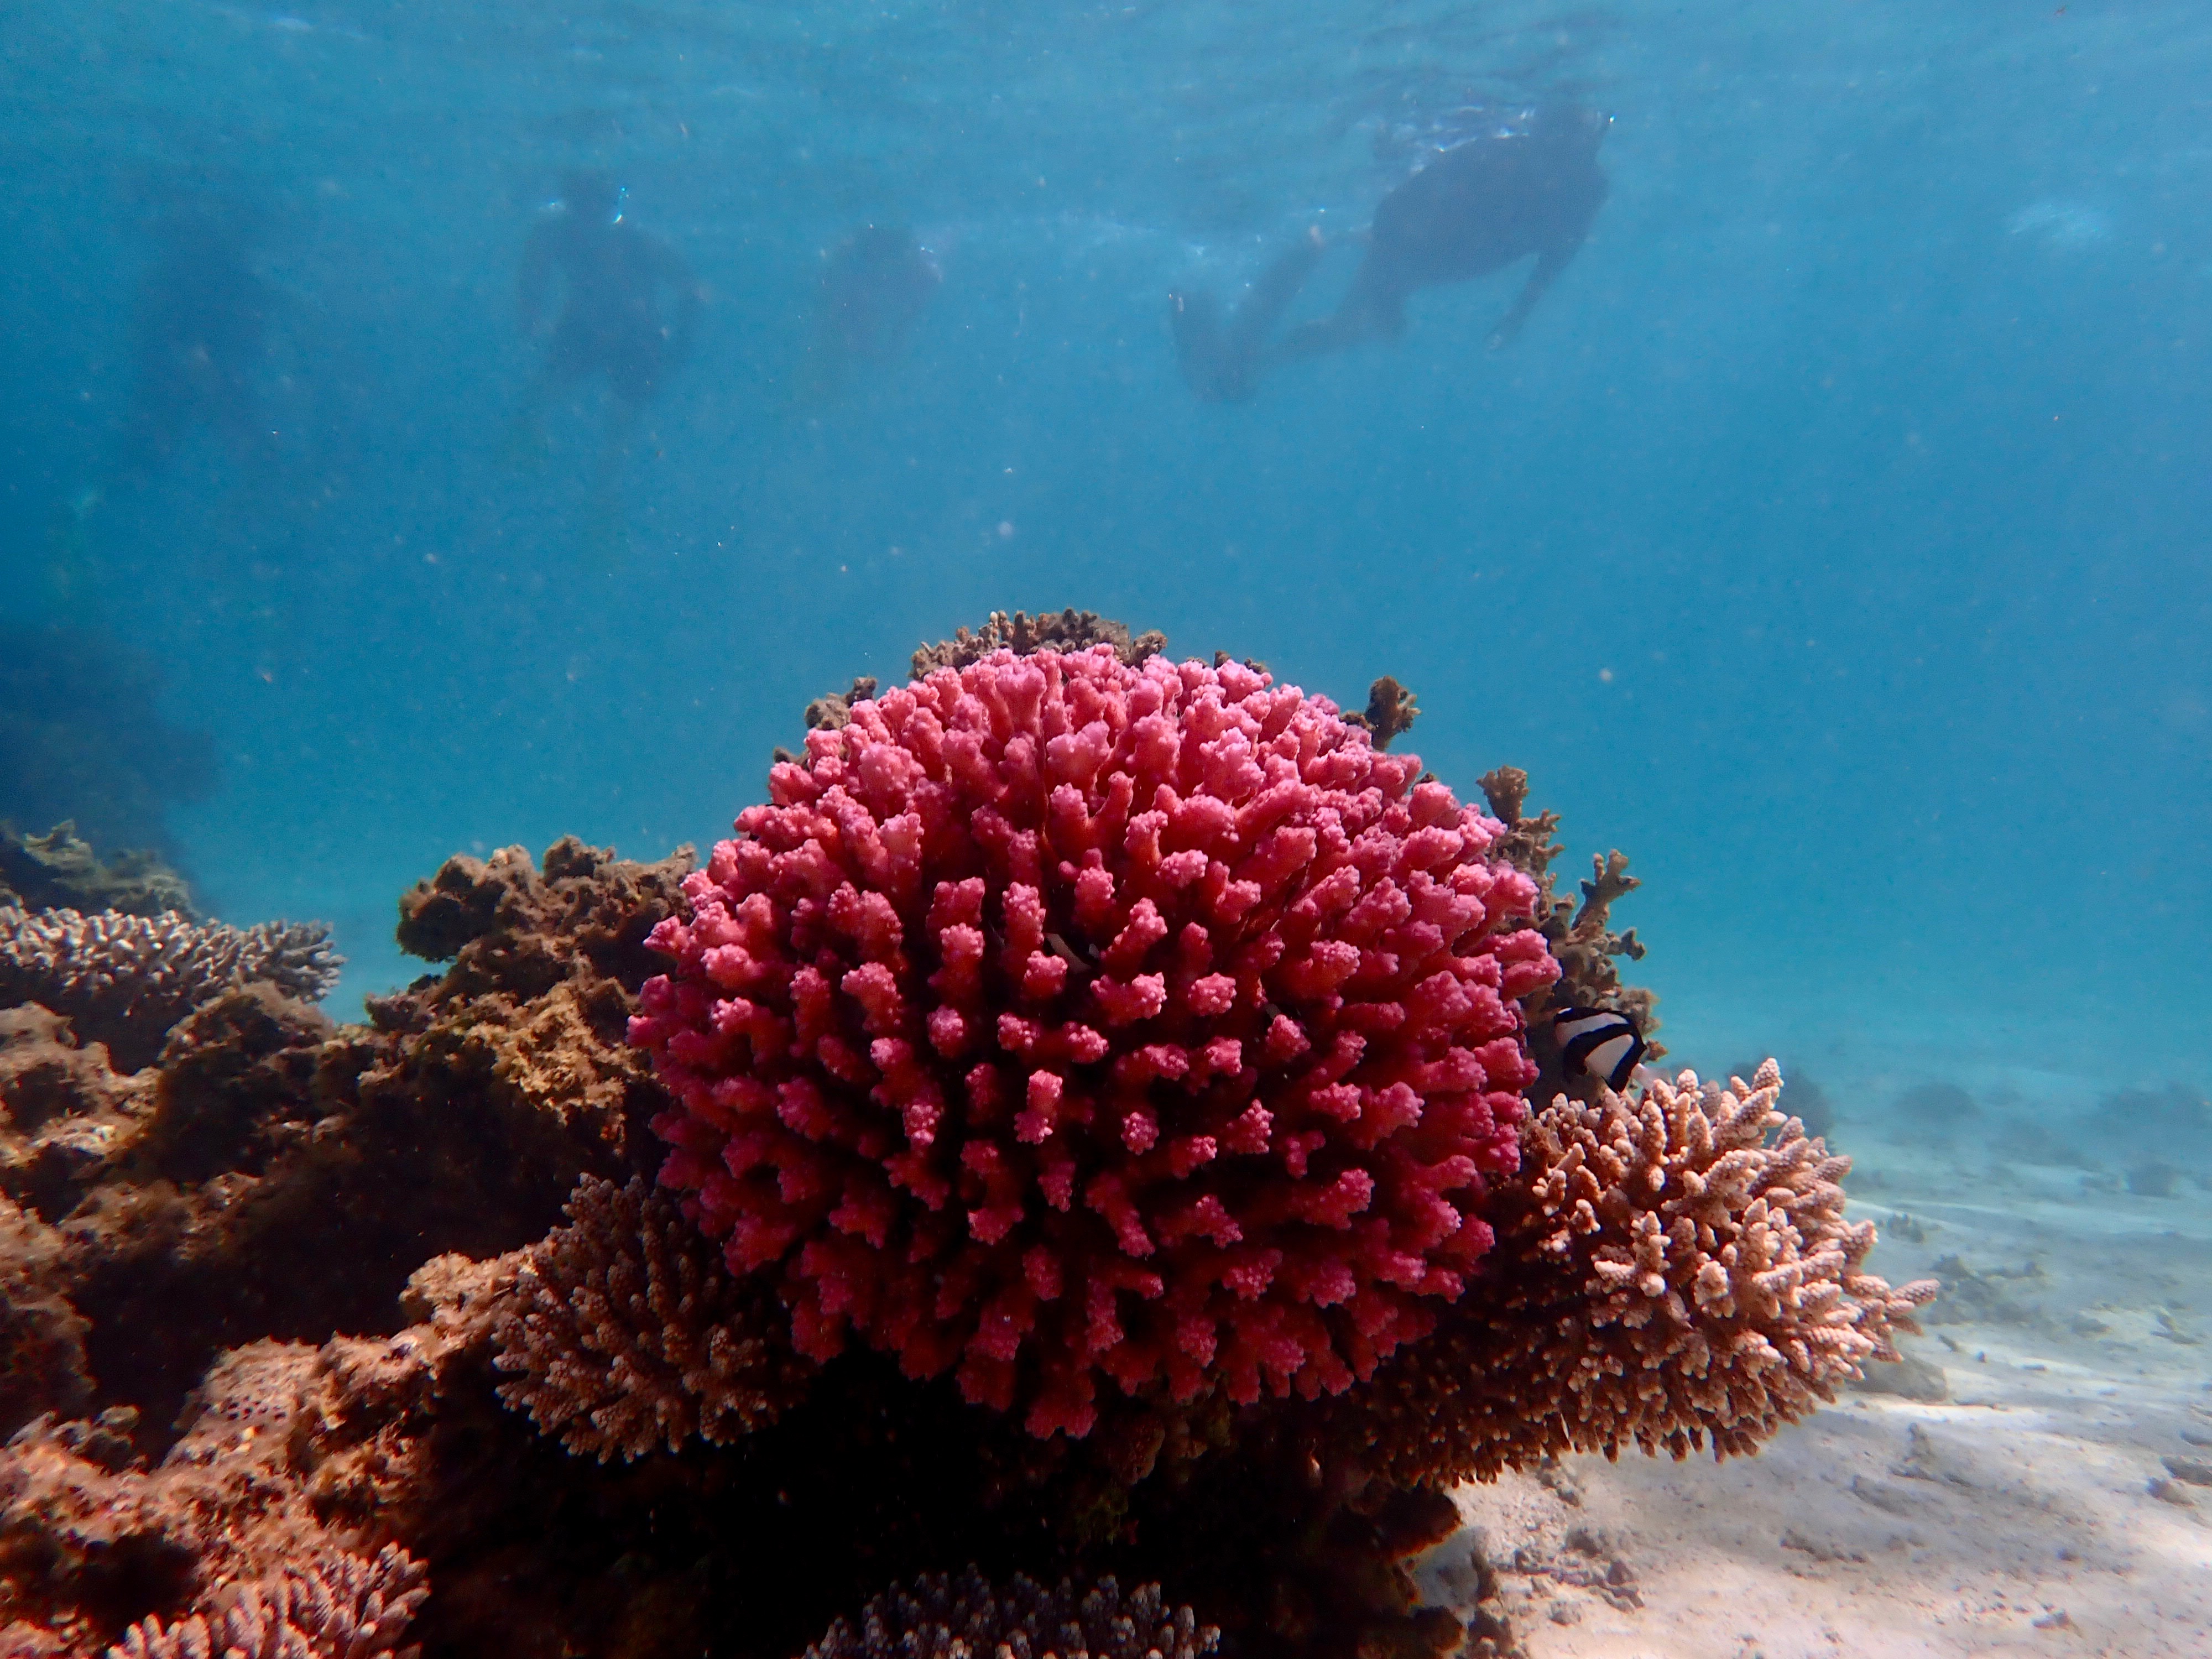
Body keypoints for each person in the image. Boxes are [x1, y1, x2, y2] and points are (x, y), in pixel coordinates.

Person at [1172, 103, 1610, 403]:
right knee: (1353, 321)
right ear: (1537, 139)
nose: (1557, 166)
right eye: (1553, 148)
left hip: (1435, 259)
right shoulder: (1494, 158)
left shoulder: (1587, 189)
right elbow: (1403, 203)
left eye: (1573, 152)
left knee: (1353, 326)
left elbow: (1560, 254)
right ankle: (1245, 351)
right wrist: (1388, 284)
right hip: (1411, 250)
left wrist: (1519, 314)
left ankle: (1243, 359)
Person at [508, 169, 704, 529]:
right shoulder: (556, 233)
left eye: (599, 205)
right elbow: (531, 274)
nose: (590, 216)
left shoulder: (636, 241)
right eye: (582, 204)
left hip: (631, 336)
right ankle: (595, 492)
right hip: (596, 331)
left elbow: (689, 287)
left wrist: (682, 343)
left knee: (617, 426)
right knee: (557, 401)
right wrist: (530, 313)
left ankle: (602, 497)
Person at [119, 200, 284, 472]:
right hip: (184, 372)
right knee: (141, 453)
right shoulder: (176, 280)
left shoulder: (236, 284)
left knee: (143, 452)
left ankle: (92, 496)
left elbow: (253, 338)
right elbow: (145, 332)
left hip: (204, 371)